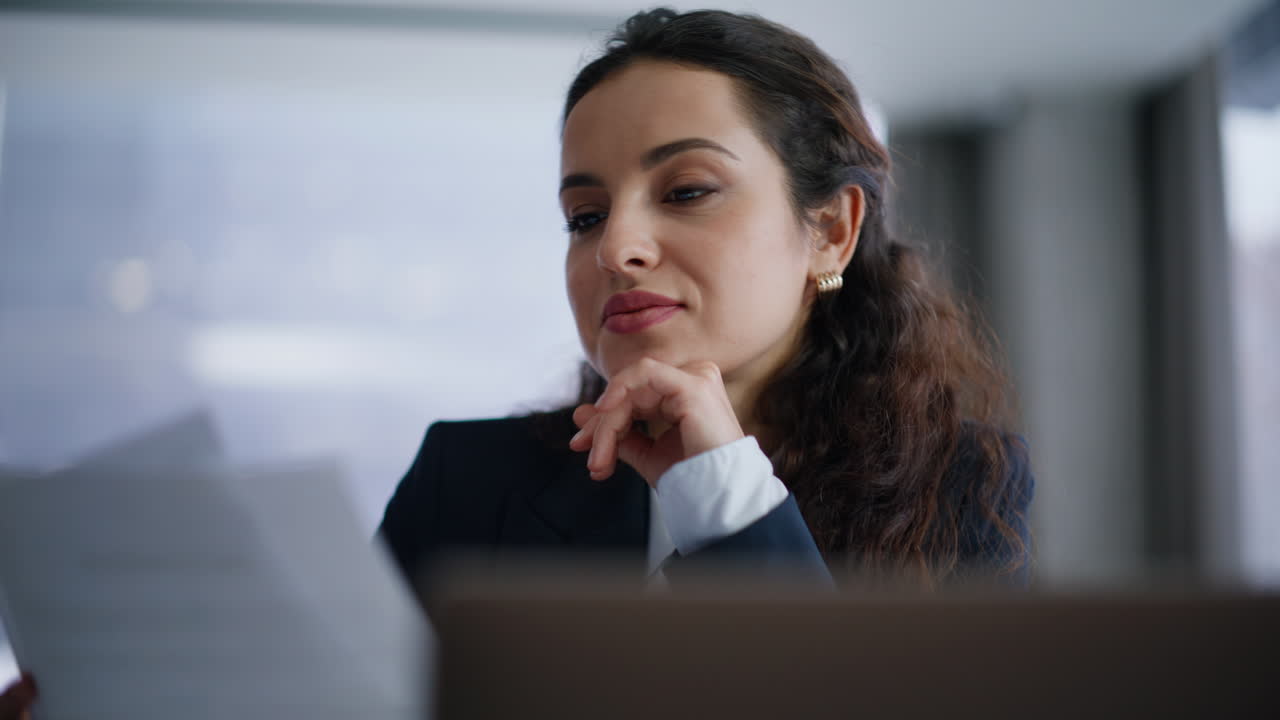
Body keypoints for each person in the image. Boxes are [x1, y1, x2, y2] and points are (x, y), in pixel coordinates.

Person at [0, 7, 1033, 717]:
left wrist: (720, 488)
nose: (614, 246)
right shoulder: (471, 480)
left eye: (684, 191)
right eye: (582, 213)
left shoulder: (962, 487)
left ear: (830, 232)